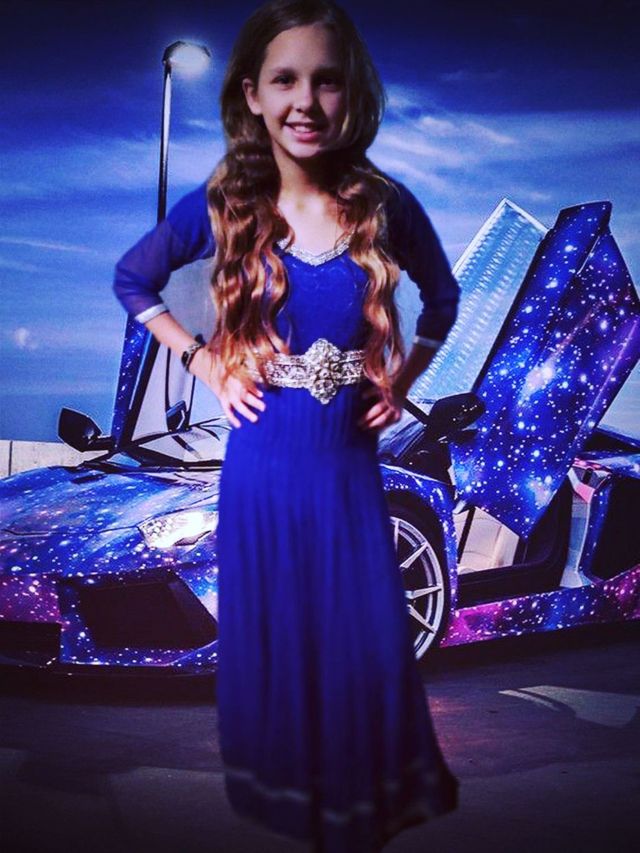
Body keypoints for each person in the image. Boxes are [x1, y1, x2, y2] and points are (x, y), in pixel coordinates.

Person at [113, 1, 461, 849]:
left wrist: (402, 379)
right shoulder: (226, 204)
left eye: (326, 80)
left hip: (344, 466)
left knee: (362, 638)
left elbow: (443, 300)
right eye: (285, 80)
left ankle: (358, 811)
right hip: (262, 464)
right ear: (253, 95)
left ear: (352, 94)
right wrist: (203, 360)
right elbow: (132, 279)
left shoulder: (386, 206)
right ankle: (296, 805)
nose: (306, 100)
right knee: (278, 645)